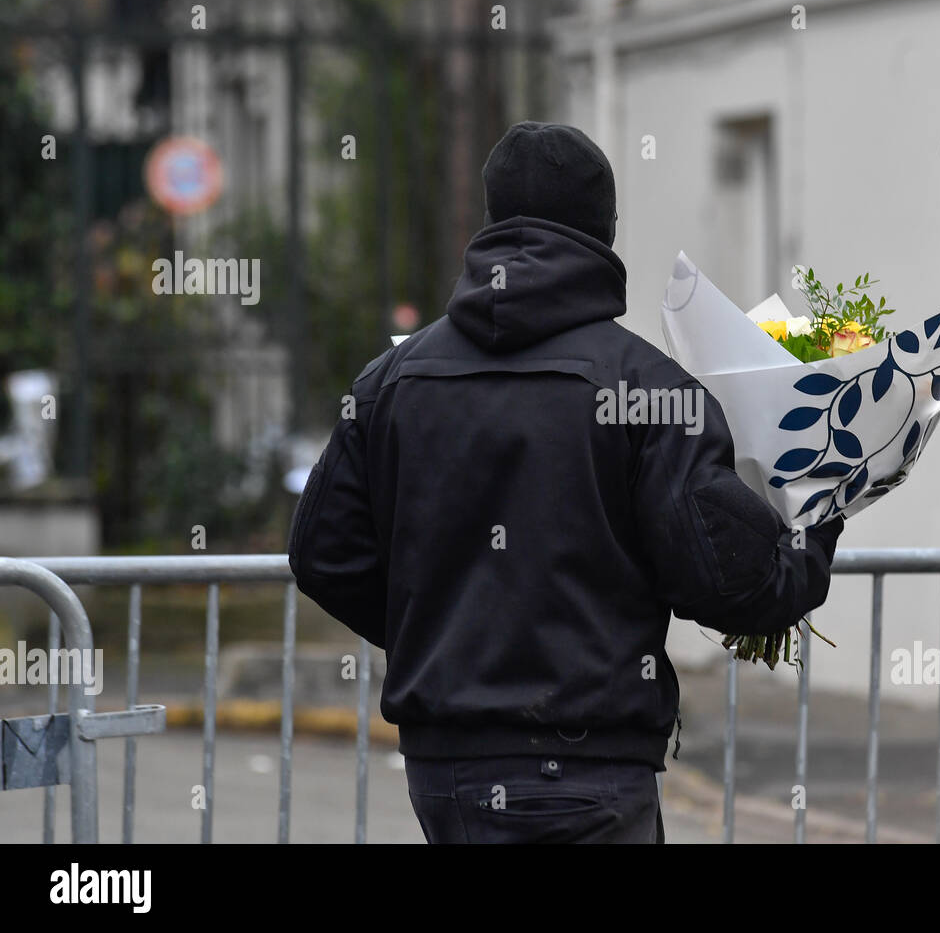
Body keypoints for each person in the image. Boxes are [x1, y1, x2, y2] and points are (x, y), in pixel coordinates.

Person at [288, 120, 844, 844]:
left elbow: (323, 554)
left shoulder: (390, 381)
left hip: (446, 773)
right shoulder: (649, 390)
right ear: (604, 230)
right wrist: (818, 509)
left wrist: (448, 633)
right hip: (589, 774)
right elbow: (730, 585)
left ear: (489, 222)